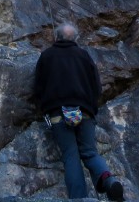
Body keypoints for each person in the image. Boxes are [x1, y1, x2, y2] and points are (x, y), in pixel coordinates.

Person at [33, 22, 124, 201]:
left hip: (58, 113)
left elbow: (38, 88)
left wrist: (45, 107)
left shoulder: (46, 56)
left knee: (70, 156)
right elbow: (96, 87)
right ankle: (109, 180)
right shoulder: (84, 56)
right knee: (90, 152)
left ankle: (79, 198)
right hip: (85, 112)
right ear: (75, 38)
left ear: (56, 37)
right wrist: (90, 107)